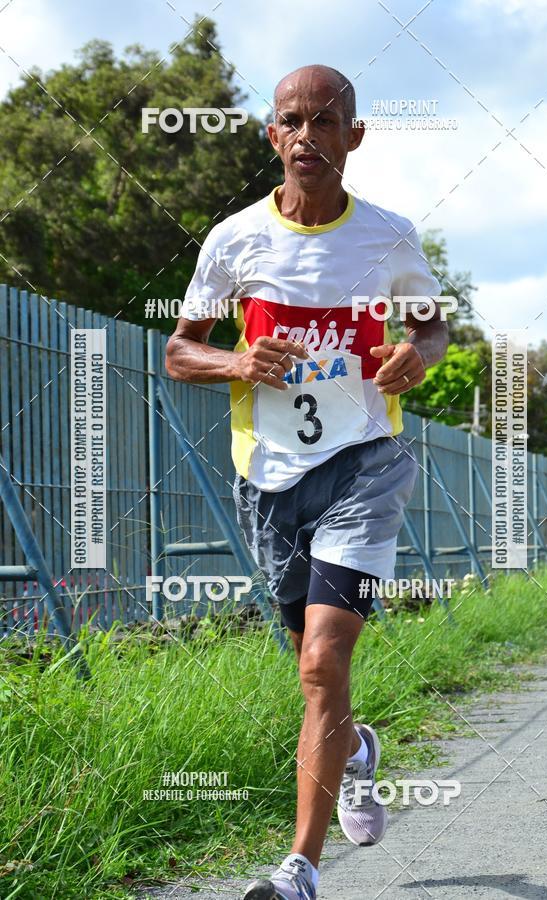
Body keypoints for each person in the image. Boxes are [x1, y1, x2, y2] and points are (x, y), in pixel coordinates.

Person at [166, 64, 448, 900]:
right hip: (272, 482)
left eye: (326, 122)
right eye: (292, 120)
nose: (307, 136)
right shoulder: (234, 240)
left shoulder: (391, 238)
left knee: (325, 661)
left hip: (365, 466)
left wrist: (419, 357)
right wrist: (237, 359)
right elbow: (178, 350)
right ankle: (356, 751)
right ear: (271, 137)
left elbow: (431, 332)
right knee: (311, 670)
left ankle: (299, 871)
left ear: (353, 138)